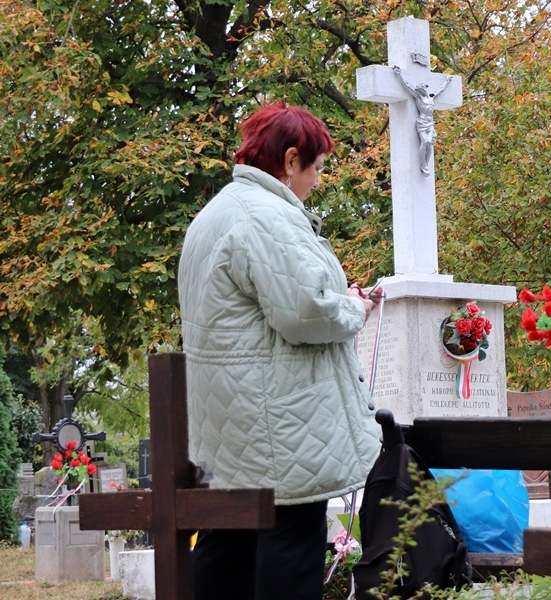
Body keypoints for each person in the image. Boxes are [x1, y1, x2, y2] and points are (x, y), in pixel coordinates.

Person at [178, 102, 383, 600]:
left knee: (227, 546)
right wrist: (353, 307)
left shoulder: (215, 214)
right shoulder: (266, 215)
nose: (316, 180)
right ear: (291, 161)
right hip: (282, 422)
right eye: (315, 168)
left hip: (231, 419)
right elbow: (305, 312)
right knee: (291, 543)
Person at [392, 65, 452, 175]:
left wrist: (447, 81)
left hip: (430, 123)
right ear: (420, 89)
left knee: (429, 144)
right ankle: (423, 164)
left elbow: (440, 90)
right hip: (422, 122)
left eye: (426, 87)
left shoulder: (431, 97)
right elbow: (407, 86)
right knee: (425, 141)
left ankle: (426, 164)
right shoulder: (418, 97)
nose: (425, 89)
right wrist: (398, 74)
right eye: (424, 87)